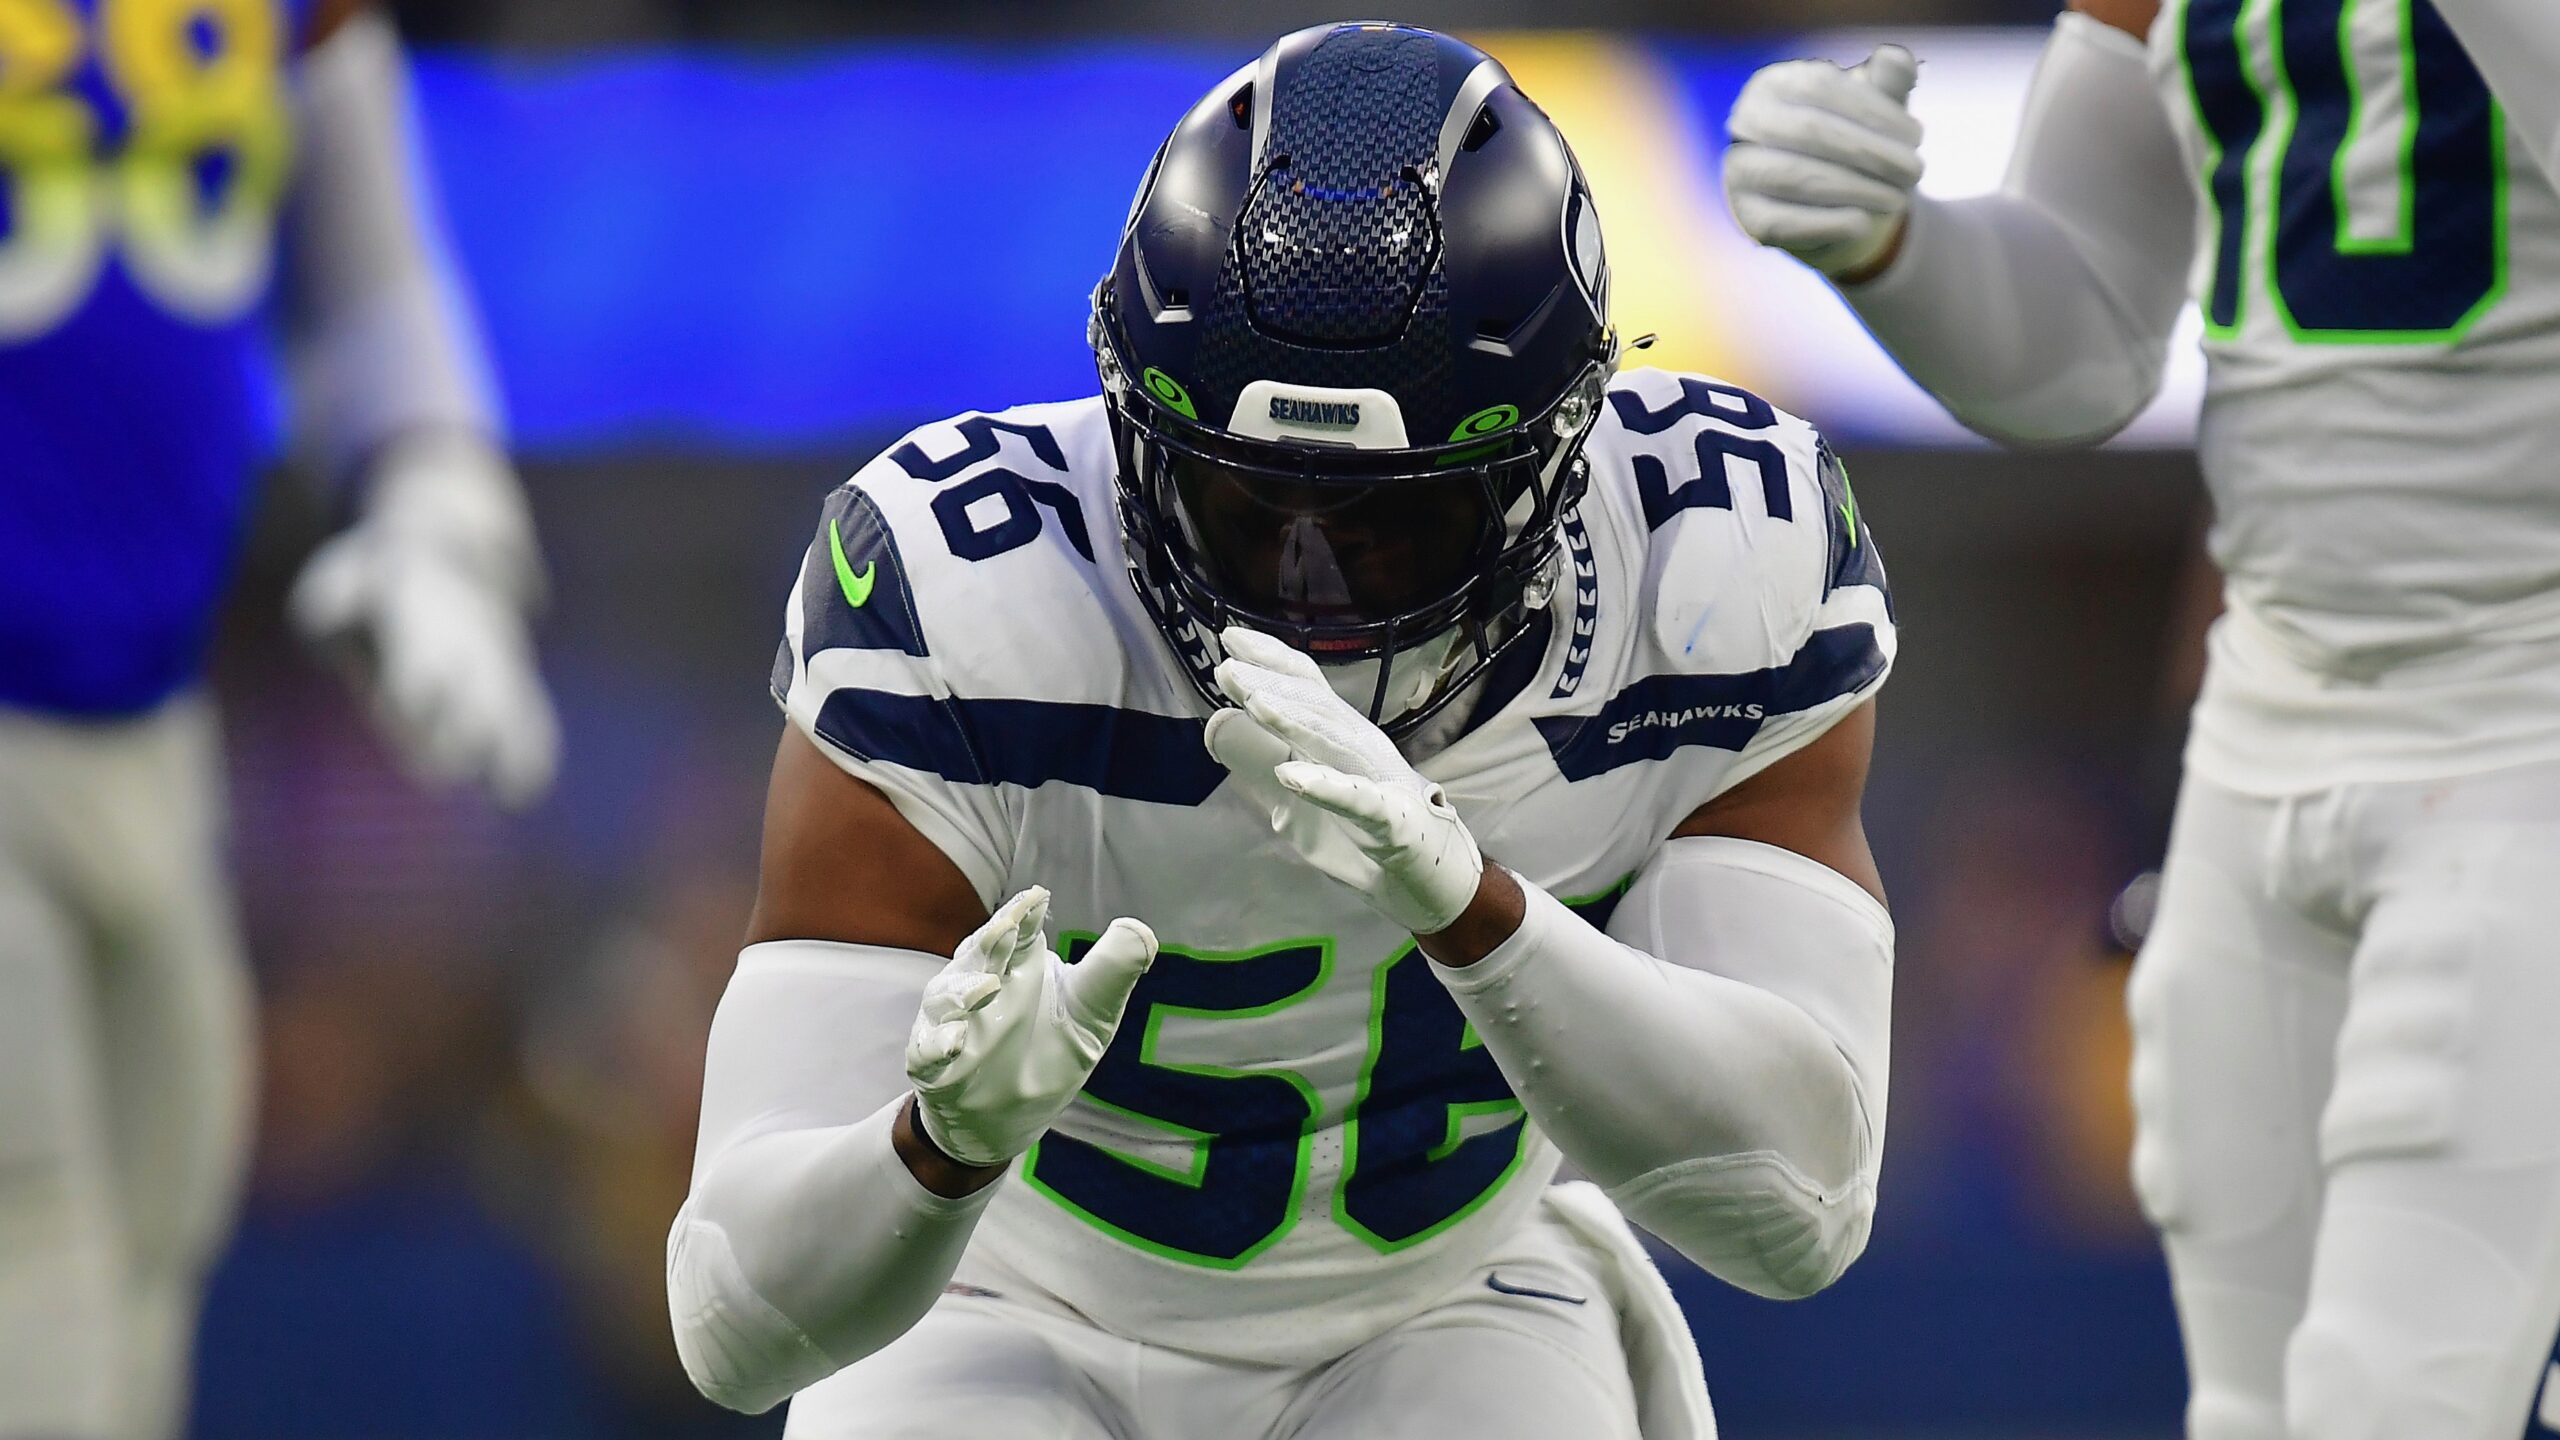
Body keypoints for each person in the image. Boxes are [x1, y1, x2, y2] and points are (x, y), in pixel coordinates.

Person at [668, 22, 1898, 1439]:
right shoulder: (966, 598)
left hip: (1442, 1307)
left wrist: (1473, 909)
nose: (1311, 597)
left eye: (1391, 527)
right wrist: (937, 1149)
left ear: (1557, 460)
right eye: (1248, 510)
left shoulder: (1713, 571)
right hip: (996, 1299)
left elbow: (1797, 1214)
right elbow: (733, 1326)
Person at [1724, 4, 2560, 1437]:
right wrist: (1892, 246)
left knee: (2396, 1396)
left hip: (2526, 726)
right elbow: (2095, 324)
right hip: (2270, 711)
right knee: (2249, 1404)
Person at [0, 2, 555, 1435]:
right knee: (26, 1230)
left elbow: (366, 274)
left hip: (149, 721)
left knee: (155, 1225)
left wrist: (437, 516)